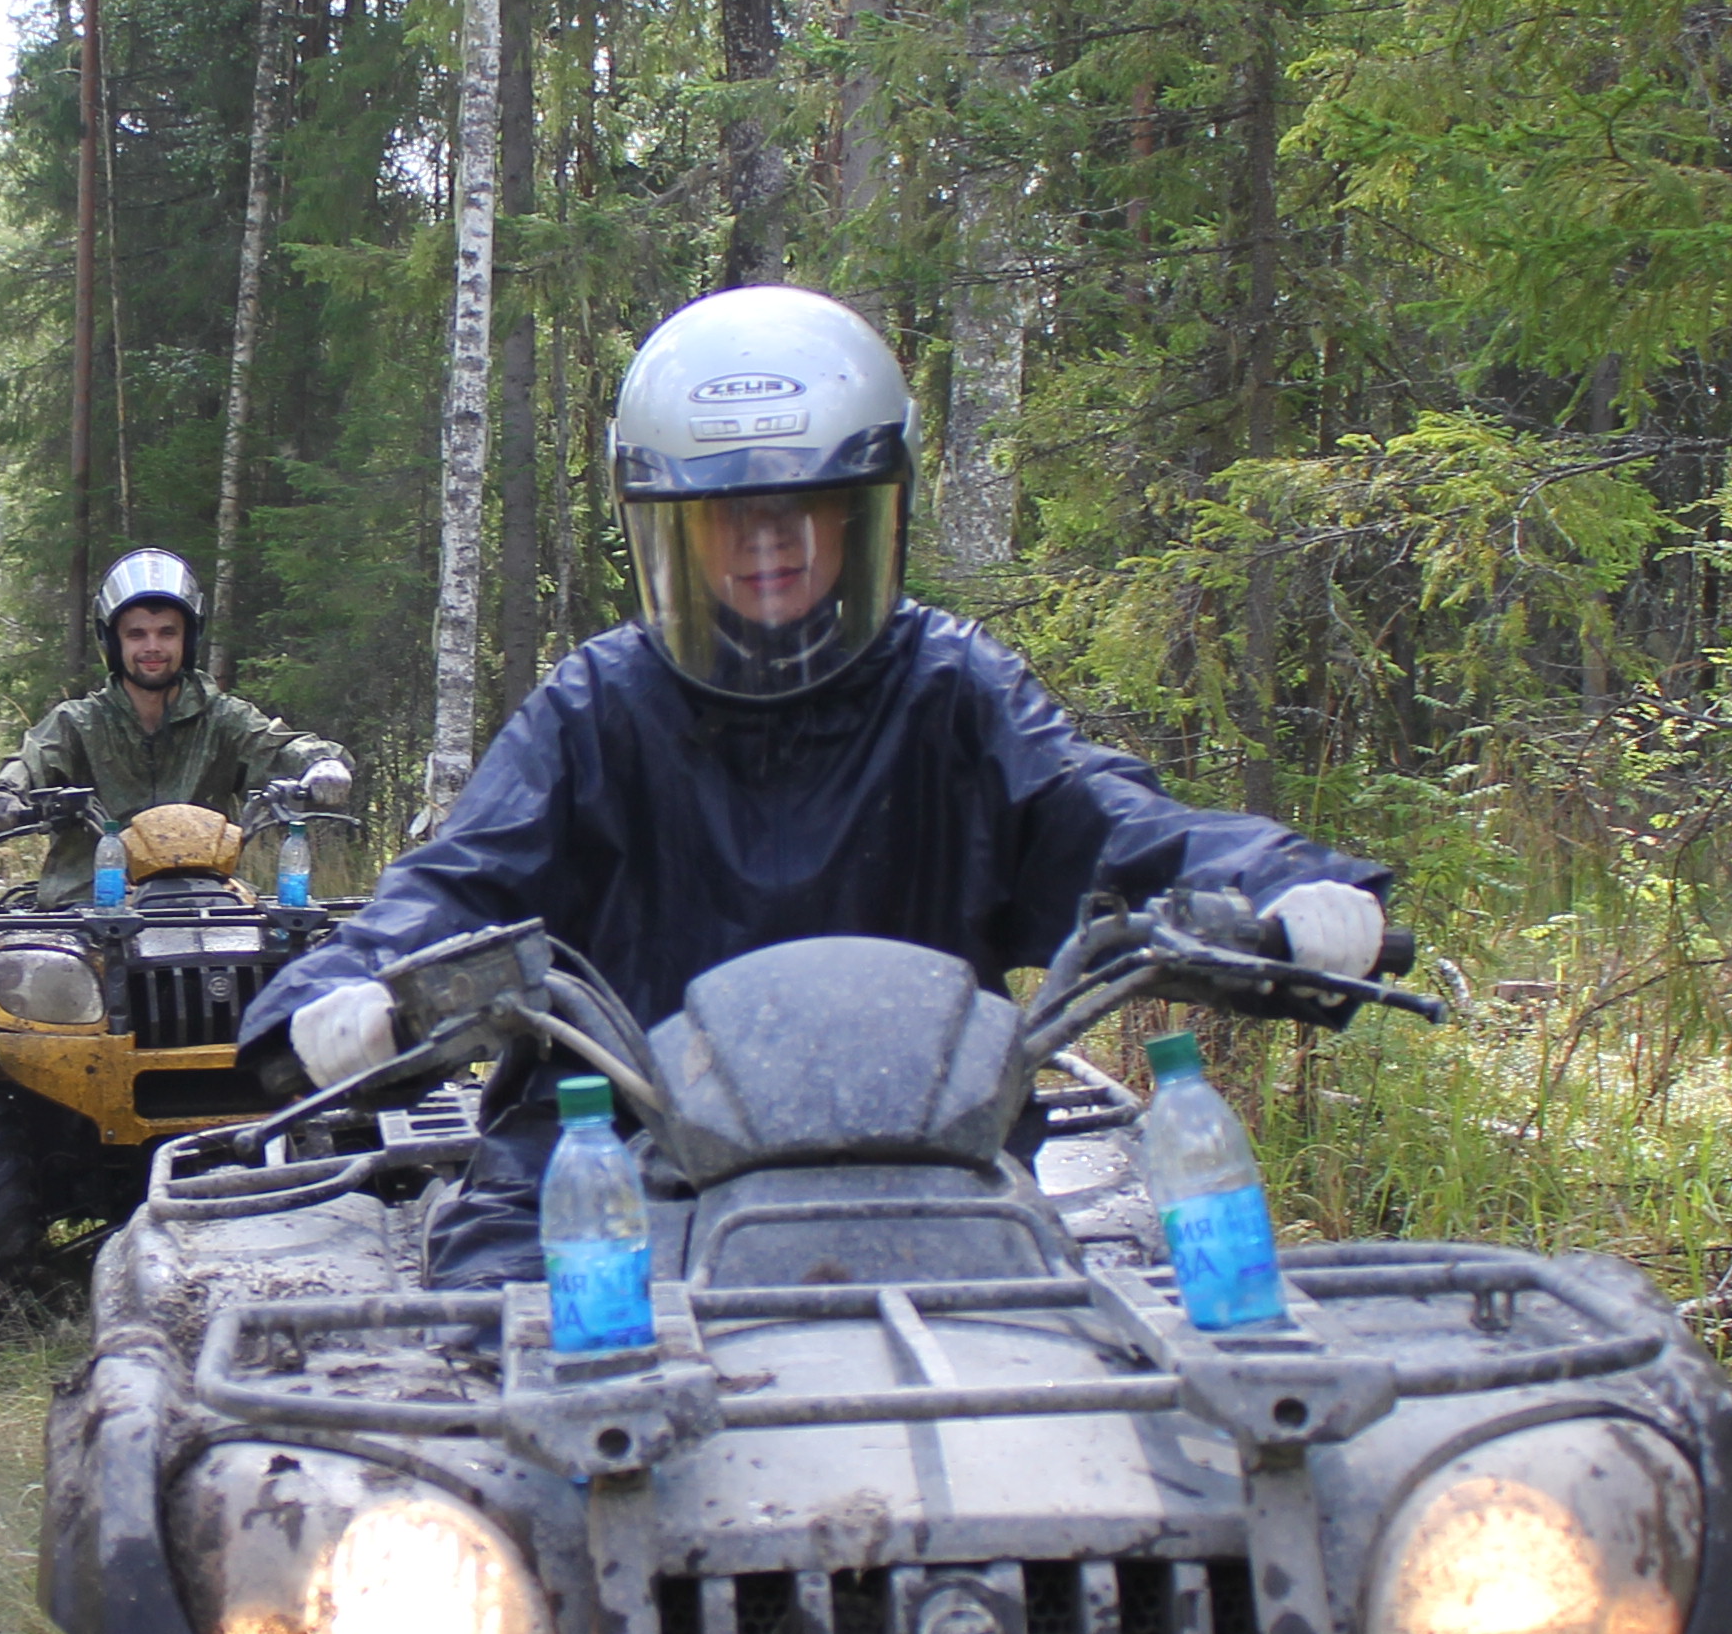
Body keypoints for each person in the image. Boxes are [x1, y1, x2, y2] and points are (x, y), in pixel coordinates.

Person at [239, 286, 1392, 1284]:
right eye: (730, 511)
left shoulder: (952, 686)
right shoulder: (598, 706)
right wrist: (341, 996)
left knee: (1121, 1409)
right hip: (611, 1154)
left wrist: (1288, 890)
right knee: (473, 1425)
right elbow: (459, 883)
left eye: (803, 505)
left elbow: (1109, 816)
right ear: (672, 531)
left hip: (933, 1154)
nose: (768, 539)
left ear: (862, 511)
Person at [0, 548, 358, 900]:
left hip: (206, 901)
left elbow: (277, 744)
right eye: (136, 634)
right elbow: (32, 760)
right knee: (28, 972)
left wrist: (321, 764)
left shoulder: (222, 717)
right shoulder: (78, 723)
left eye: (167, 633)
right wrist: (4, 796)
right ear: (113, 642)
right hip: (87, 910)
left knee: (284, 958)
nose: (152, 647)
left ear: (188, 640)